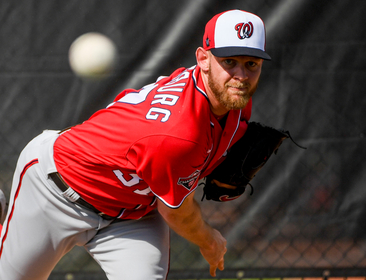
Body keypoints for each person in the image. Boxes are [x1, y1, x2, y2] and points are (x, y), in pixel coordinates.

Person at [0, 9, 271, 280]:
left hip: (132, 215)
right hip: (56, 189)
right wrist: (210, 241)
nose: (241, 76)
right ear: (203, 59)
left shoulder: (230, 99)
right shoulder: (178, 135)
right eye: (230, 61)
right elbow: (179, 214)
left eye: (251, 64)